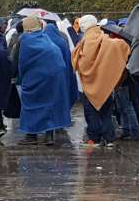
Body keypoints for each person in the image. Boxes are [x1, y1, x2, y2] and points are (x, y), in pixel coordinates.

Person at [72, 15, 130, 148]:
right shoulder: (105, 38)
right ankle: (109, 138)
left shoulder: (87, 40)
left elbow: (84, 62)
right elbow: (122, 47)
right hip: (105, 84)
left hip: (89, 84)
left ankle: (94, 139)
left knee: (91, 113)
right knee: (106, 113)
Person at [16, 16, 72, 146]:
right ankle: (49, 136)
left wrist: (18, 76)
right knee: (49, 104)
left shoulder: (24, 40)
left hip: (37, 76)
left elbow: (21, 61)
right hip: (56, 75)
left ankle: (31, 135)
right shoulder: (46, 37)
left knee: (31, 104)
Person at [43, 20, 79, 146]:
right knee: (60, 101)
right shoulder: (62, 42)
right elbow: (68, 61)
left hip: (47, 78)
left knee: (48, 103)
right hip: (62, 77)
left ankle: (48, 131)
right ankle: (60, 124)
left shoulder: (44, 42)